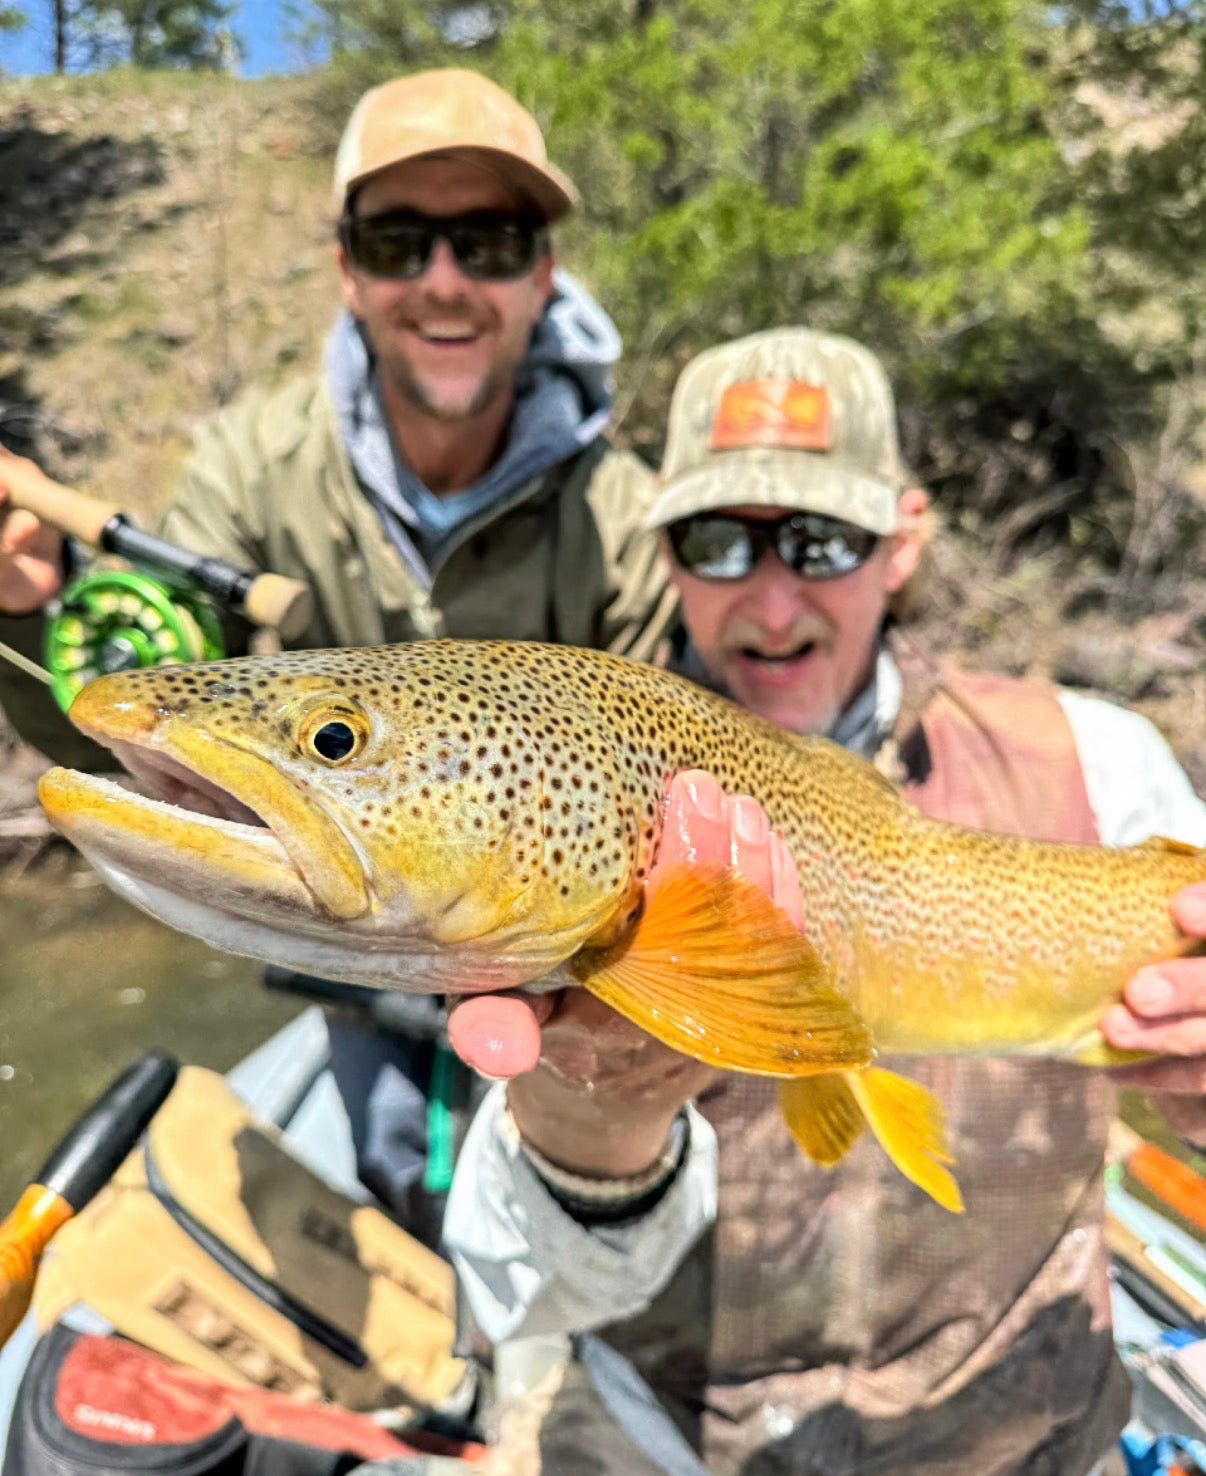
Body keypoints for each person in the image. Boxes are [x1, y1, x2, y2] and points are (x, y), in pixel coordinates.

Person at [439, 327, 1206, 1475]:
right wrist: (592, 1130)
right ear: (666, 556)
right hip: (681, 1438)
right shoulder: (567, 789)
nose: (772, 597)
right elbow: (515, 1291)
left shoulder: (1104, 766)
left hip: (1026, 1426)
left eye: (819, 540)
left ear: (902, 543)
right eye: (718, 544)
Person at [0, 67, 676, 1241]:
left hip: (561, 976)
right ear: (348, 268)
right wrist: (24, 615)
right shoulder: (250, 468)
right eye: (402, 239)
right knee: (394, 1202)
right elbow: (130, 729)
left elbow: (690, 802)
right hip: (358, 970)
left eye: (492, 240)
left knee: (584, 1211)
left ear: (543, 273)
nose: (446, 281)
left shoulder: (623, 513)